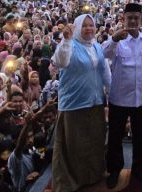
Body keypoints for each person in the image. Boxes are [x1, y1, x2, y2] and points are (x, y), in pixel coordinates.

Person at [51, 14, 112, 192]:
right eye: (84, 26)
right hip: (73, 103)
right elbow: (60, 62)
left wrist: (111, 91)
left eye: (91, 25)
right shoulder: (69, 44)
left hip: (95, 101)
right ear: (77, 27)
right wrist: (67, 40)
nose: (88, 29)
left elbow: (104, 70)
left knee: (94, 141)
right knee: (73, 145)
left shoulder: (96, 46)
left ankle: (92, 176)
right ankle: (70, 181)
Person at [102, 3, 142, 188]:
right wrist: (114, 39)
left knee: (141, 136)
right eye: (129, 17)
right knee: (116, 136)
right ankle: (114, 170)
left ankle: (139, 170)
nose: (132, 21)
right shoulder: (116, 40)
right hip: (119, 99)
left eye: (136, 18)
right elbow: (103, 54)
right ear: (123, 19)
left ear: (141, 20)